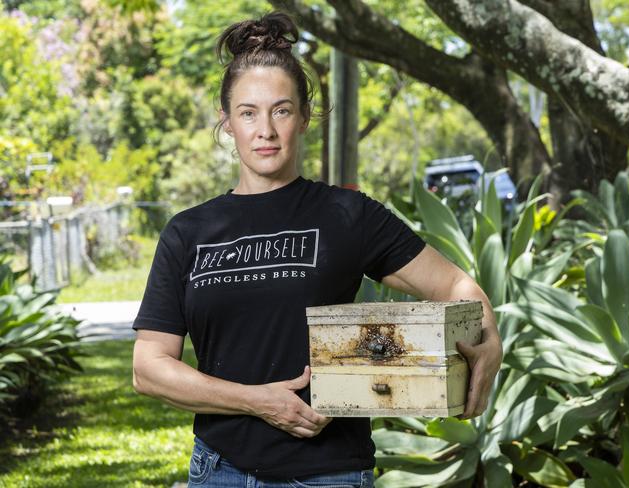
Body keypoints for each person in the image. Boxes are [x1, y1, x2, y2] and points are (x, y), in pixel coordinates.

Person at [131, 11, 502, 488]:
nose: (265, 129)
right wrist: (256, 400)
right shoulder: (188, 231)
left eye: (281, 110)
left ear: (305, 117)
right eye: (248, 112)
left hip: (328, 473)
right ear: (227, 122)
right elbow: (149, 368)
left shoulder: (348, 214)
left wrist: (490, 336)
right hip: (218, 469)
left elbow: (455, 285)